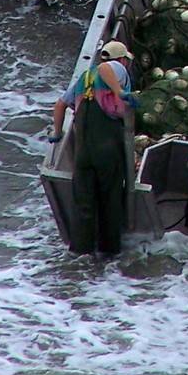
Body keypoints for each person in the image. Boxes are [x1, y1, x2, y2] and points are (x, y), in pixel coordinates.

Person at [49, 40, 139, 256]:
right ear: (123, 59)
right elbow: (105, 68)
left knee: (84, 206)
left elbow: (61, 104)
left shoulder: (83, 79)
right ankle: (110, 253)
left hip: (83, 153)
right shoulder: (115, 68)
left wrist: (58, 132)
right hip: (107, 149)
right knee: (111, 200)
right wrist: (119, 91)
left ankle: (81, 255)